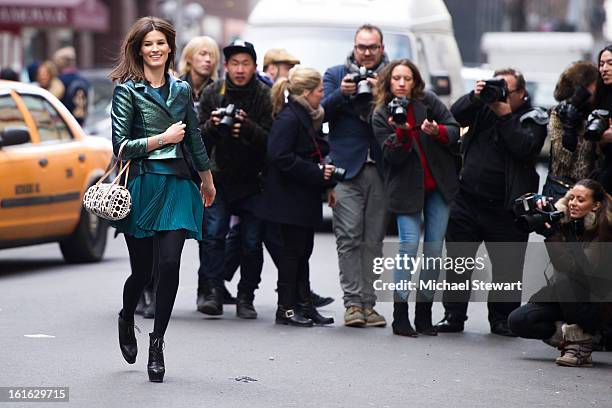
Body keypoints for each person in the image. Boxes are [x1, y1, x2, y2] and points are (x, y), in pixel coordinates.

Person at [108, 16, 216, 383]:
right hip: (142, 185)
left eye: (161, 43)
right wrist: (161, 139)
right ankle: (126, 318)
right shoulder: (127, 91)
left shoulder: (182, 90)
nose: (155, 49)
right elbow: (121, 147)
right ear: (139, 49)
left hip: (177, 185)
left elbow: (195, 138)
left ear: (170, 46)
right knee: (143, 271)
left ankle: (157, 342)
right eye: (148, 44)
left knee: (169, 264)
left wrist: (207, 178)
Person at [436, 68, 548, 336]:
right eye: (494, 87)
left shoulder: (534, 117)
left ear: (521, 93)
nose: (497, 94)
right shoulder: (482, 107)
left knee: (507, 267)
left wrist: (505, 115)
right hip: (468, 199)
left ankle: (502, 319)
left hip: (507, 206)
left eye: (505, 90)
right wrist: (476, 97)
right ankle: (453, 314)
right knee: (458, 262)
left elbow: (525, 148)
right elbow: (454, 115)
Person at [372, 59, 460, 337]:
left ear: (414, 82)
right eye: (396, 78)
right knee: (408, 248)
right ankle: (400, 316)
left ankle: (424, 314)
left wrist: (438, 132)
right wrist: (401, 130)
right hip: (406, 188)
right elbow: (392, 157)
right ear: (388, 82)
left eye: (406, 78)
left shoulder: (428, 101)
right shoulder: (380, 114)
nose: (401, 83)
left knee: (433, 251)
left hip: (438, 186)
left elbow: (454, 130)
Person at [197, 39, 272, 319]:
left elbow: (271, 142)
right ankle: (213, 292)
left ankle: (246, 296)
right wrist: (214, 126)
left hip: (253, 180)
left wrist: (247, 127)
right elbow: (198, 139)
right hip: (218, 179)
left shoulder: (264, 95)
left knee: (252, 242)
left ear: (255, 66)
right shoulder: (213, 93)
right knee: (213, 237)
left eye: (246, 63)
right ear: (226, 66)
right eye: (235, 63)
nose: (240, 69)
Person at [322, 24, 389, 328]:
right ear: (354, 46)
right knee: (347, 237)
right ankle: (352, 304)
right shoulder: (335, 74)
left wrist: (382, 93)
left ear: (381, 48)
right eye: (362, 47)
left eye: (372, 47)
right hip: (346, 168)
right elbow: (319, 112)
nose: (366, 52)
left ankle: (369, 304)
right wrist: (342, 93)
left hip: (382, 168)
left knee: (373, 241)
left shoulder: (393, 76)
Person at [257, 66, 335, 326]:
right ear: (307, 93)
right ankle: (286, 309)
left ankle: (304, 305)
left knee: (303, 253)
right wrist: (315, 171)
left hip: (302, 197)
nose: (323, 95)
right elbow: (279, 156)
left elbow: (309, 148)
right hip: (289, 200)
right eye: (320, 91)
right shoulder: (290, 118)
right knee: (292, 255)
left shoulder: (307, 115)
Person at [508, 179, 612, 367]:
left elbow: (575, 269)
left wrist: (552, 235)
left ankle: (584, 341)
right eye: (571, 198)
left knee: (566, 277)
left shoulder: (605, 232)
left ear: (596, 205)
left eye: (581, 200)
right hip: (570, 298)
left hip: (599, 304)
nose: (573, 203)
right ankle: (572, 341)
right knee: (519, 320)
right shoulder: (569, 221)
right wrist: (545, 211)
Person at [543, 61, 601, 202]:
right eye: (592, 85)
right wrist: (569, 125)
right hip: (560, 190)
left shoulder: (598, 113)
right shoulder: (560, 113)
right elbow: (563, 162)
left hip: (590, 192)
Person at [178, 36, 220, 107]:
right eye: (203, 54)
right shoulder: (175, 88)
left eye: (212, 55)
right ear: (189, 57)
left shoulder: (218, 91)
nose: (208, 59)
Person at [53, 46, 90, 126]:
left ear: (61, 61)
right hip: (81, 125)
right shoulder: (84, 80)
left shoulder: (59, 81)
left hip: (65, 126)